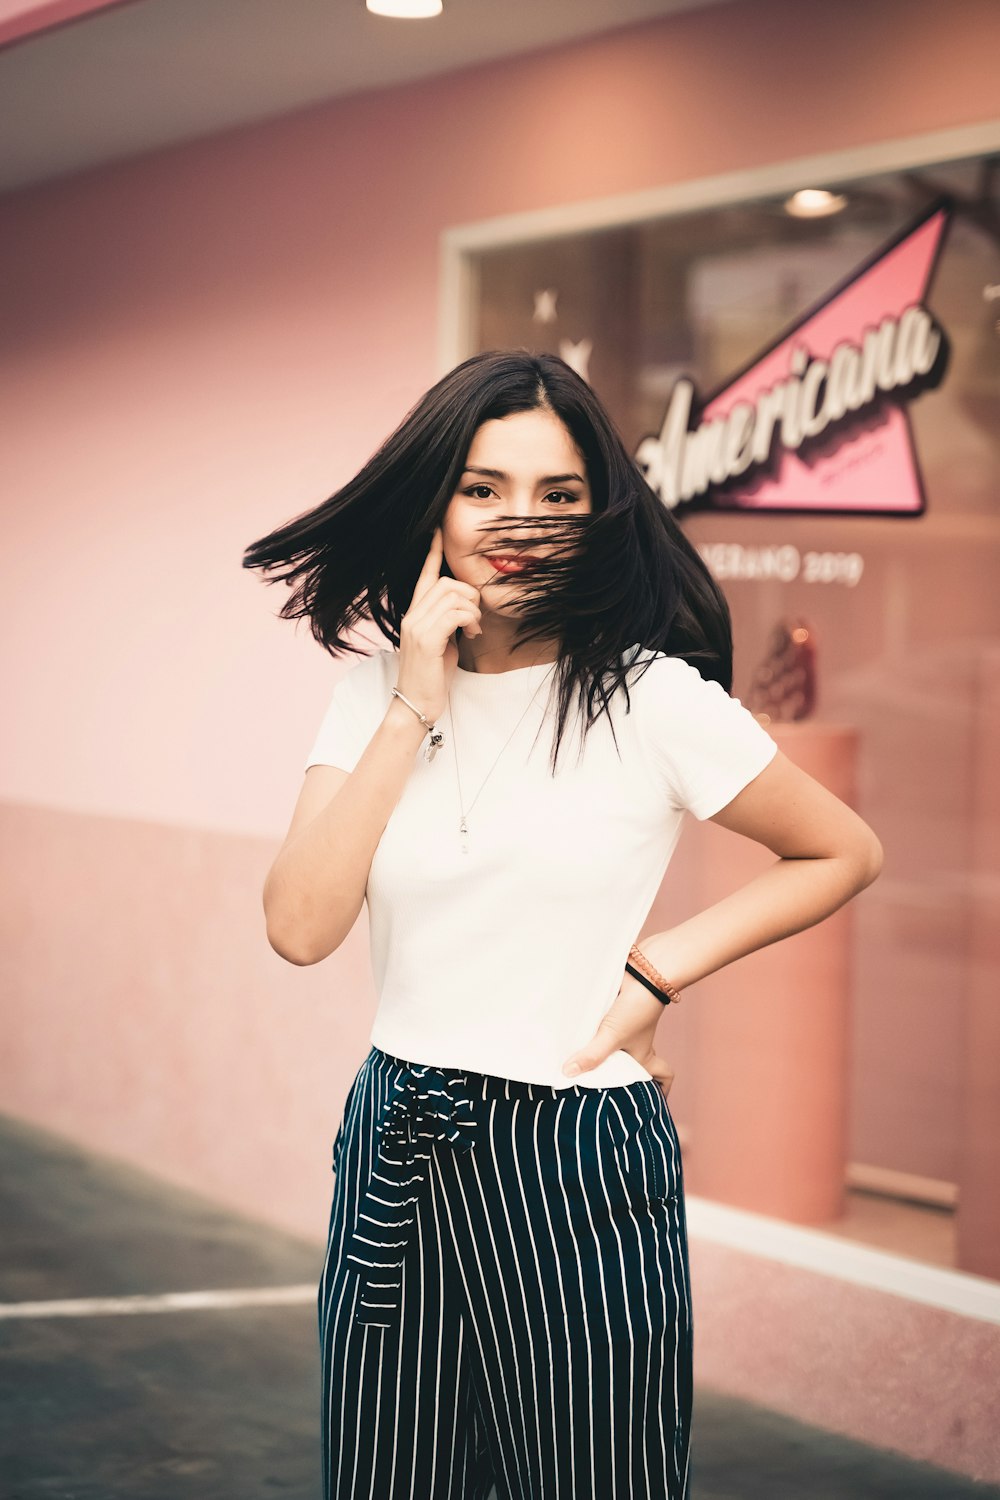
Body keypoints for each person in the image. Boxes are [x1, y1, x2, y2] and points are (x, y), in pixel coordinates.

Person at [243, 350, 883, 1500]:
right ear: (434, 497)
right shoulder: (375, 690)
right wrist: (413, 707)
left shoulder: (652, 700)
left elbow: (840, 849)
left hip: (577, 1157)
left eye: (558, 497)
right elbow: (299, 925)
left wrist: (653, 975)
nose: (517, 523)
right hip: (398, 1137)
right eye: (483, 488)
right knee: (387, 1477)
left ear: (598, 520)